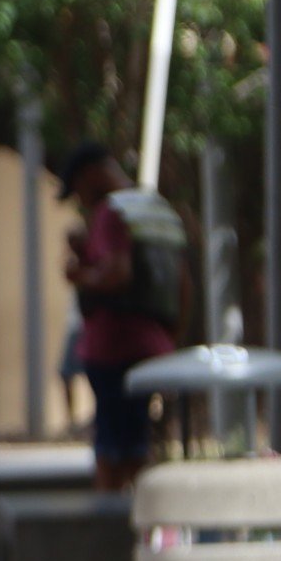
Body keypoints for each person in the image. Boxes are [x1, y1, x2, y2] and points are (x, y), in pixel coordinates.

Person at [58, 142, 184, 490]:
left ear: (91, 175)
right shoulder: (154, 208)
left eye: (78, 190)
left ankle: (113, 534)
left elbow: (118, 274)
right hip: (151, 344)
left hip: (113, 348)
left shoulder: (111, 213)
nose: (80, 201)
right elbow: (183, 283)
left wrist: (79, 274)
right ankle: (144, 527)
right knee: (137, 443)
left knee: (112, 451)